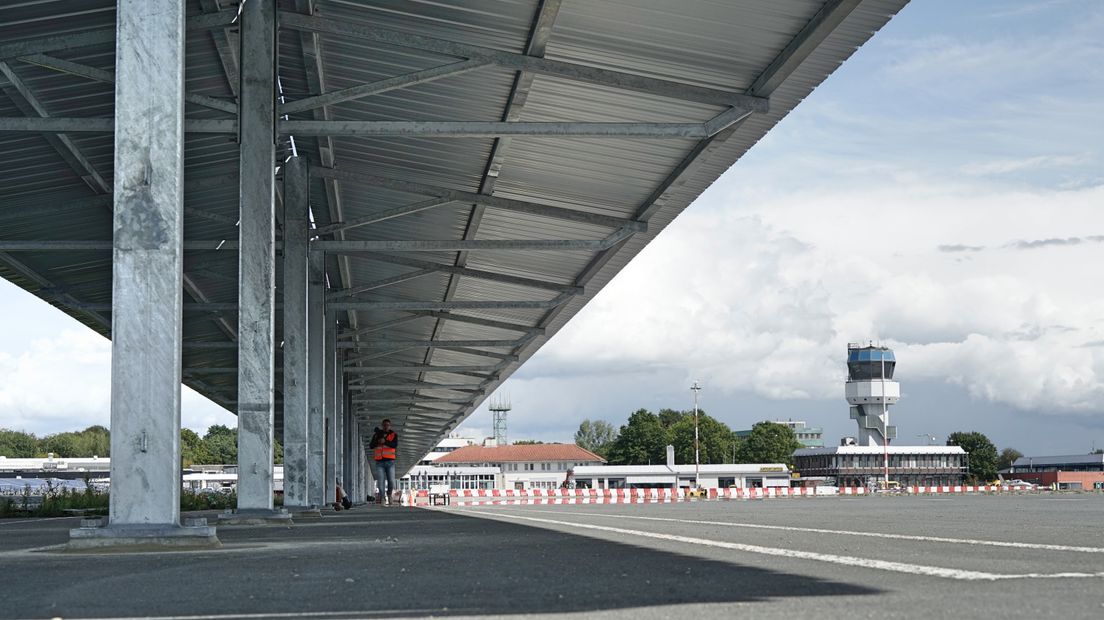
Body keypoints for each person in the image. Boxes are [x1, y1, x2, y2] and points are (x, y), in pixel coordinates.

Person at [370, 419, 398, 506]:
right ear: (382, 425)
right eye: (384, 425)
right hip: (379, 462)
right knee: (380, 482)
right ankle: (382, 498)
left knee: (391, 481)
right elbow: (371, 445)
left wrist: (385, 441)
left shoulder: (393, 434)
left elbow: (394, 445)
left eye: (388, 425)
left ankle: (389, 494)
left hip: (390, 461)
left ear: (390, 426)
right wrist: (377, 441)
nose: (386, 426)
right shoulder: (377, 435)